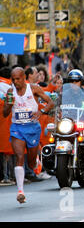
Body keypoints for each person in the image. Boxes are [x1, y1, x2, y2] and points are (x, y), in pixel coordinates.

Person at [3, 67, 54, 203]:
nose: (15, 82)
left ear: (24, 77)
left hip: (32, 128)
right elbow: (5, 113)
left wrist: (41, 111)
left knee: (31, 164)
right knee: (19, 156)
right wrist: (9, 103)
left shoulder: (34, 89)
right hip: (17, 128)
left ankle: (35, 160)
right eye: (13, 79)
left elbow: (50, 102)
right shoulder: (10, 91)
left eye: (18, 79)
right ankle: (20, 192)